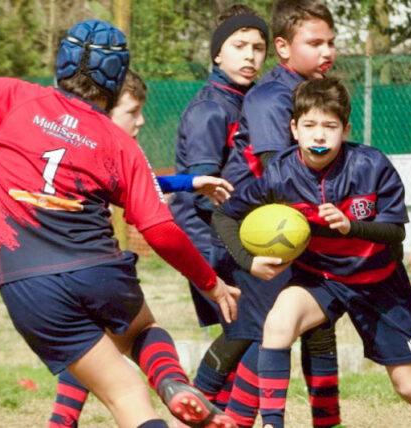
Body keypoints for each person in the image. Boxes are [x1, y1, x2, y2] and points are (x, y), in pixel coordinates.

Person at [0, 19, 240, 428]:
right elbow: (161, 231)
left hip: (27, 285)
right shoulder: (118, 143)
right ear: (116, 82)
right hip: (98, 271)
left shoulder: (10, 98)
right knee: (142, 340)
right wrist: (210, 283)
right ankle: (172, 384)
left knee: (122, 389)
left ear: (62, 63)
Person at [214, 76, 411, 428]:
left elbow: (396, 231)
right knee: (277, 324)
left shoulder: (372, 166)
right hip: (322, 279)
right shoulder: (280, 175)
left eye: (329, 126)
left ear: (345, 130)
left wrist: (350, 225)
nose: (319, 136)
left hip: (378, 282)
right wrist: (249, 260)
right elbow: (224, 214)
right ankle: (272, 423)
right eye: (310, 125)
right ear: (294, 129)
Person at [47, 69, 235, 428]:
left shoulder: (73, 143)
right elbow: (150, 210)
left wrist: (188, 182)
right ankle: (173, 384)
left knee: (89, 347)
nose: (142, 120)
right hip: (96, 267)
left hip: (46, 276)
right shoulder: (111, 148)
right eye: (132, 111)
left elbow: (141, 181)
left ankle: (61, 421)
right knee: (140, 333)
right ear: (105, 110)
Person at [217, 1, 341, 426]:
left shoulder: (314, 93)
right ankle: (229, 417)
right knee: (265, 334)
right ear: (284, 47)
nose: (328, 51)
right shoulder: (273, 97)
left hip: (298, 231)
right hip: (262, 233)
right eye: (315, 43)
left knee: (315, 326)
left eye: (331, 42)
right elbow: (282, 173)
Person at [166, 4, 271, 415]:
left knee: (251, 334)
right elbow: (201, 194)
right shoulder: (211, 109)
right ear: (216, 54)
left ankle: (211, 412)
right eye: (239, 45)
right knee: (253, 332)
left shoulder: (249, 101)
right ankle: (200, 405)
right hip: (213, 242)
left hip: (237, 240)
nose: (250, 56)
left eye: (258, 47)